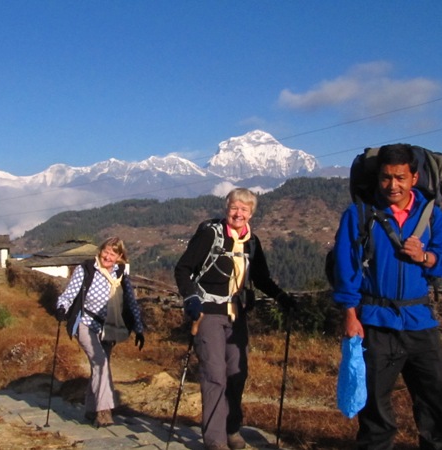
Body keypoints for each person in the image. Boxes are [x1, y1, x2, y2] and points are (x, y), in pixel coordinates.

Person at [331, 144, 442, 449]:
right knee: (374, 408)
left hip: (419, 321)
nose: (392, 185)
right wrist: (350, 315)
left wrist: (424, 257)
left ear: (414, 177)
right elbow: (344, 267)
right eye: (386, 178)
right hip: (375, 322)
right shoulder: (359, 215)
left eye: (400, 178)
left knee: (435, 402)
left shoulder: (431, 215)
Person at [174, 187, 294, 450]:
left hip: (236, 315)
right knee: (215, 374)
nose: (238, 213)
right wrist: (190, 298)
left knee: (238, 373)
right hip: (208, 313)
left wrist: (281, 297)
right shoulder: (210, 234)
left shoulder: (252, 242)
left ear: (251, 213)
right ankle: (215, 440)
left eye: (244, 209)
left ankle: (231, 428)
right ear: (226, 208)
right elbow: (183, 268)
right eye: (234, 207)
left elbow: (261, 278)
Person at [55, 237, 145, 428]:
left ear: (120, 257)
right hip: (86, 324)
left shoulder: (121, 275)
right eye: (106, 251)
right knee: (101, 364)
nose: (108, 256)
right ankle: (103, 412)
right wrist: (61, 308)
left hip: (110, 328)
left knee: (99, 369)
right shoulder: (86, 270)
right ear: (100, 251)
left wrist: (139, 328)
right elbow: (69, 294)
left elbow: (130, 303)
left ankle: (89, 408)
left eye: (113, 253)